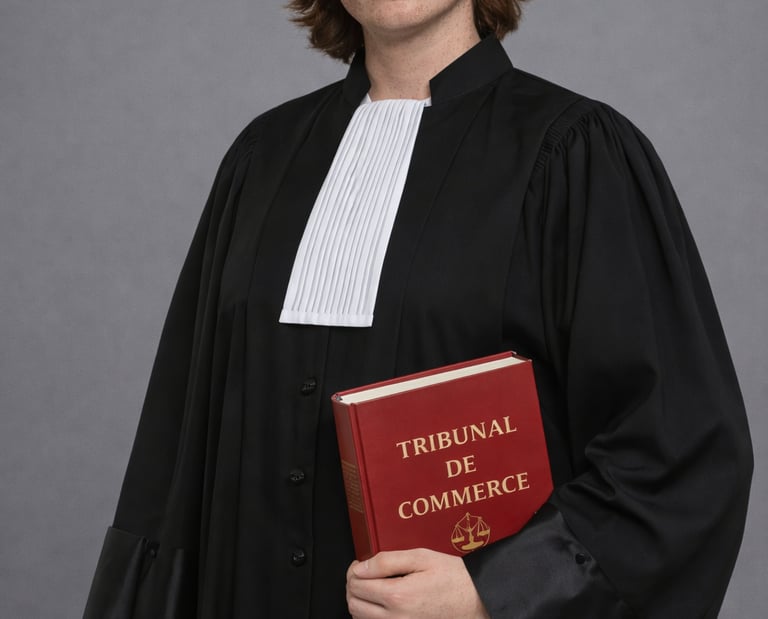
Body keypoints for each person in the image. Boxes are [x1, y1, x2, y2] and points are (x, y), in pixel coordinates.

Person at [84, 1, 753, 617]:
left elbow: (677, 453)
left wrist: (496, 588)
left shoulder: (575, 154)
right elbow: (175, 455)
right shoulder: (262, 158)